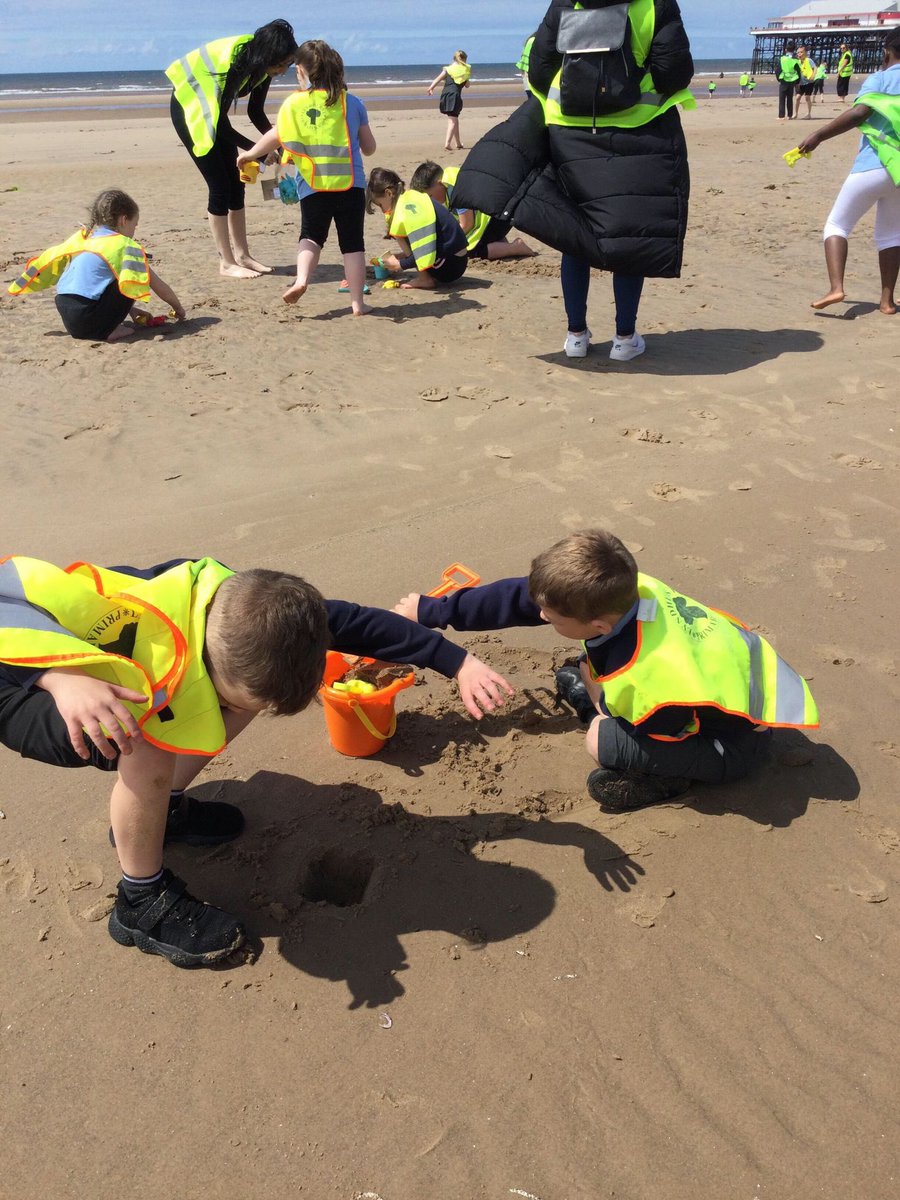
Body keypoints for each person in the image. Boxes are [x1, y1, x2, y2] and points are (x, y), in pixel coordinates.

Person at [0, 555, 513, 969]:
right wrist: (57, 678)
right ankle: (141, 902)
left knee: (223, 708)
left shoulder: (266, 617)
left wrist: (459, 662)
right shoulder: (152, 673)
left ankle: (167, 812)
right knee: (148, 748)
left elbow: (367, 626)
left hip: (120, 672)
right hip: (31, 686)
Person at [394, 530, 819, 812]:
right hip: (717, 690)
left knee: (600, 738)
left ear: (598, 626)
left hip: (734, 742)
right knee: (586, 670)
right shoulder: (623, 589)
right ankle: (602, 695)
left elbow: (665, 723)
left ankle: (667, 782)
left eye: (551, 617)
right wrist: (432, 611)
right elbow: (518, 598)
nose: (540, 617)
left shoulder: (656, 676)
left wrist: (602, 700)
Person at [453, 0, 693, 364]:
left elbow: (539, 69)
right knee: (627, 232)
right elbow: (673, 73)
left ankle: (576, 336)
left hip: (569, 133)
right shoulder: (655, 4)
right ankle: (624, 339)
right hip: (637, 132)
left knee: (575, 232)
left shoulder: (566, 3)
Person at [236, 40, 377, 315]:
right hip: (350, 185)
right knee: (353, 245)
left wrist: (250, 154)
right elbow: (369, 148)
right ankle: (358, 304)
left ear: (301, 70)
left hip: (312, 185)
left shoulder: (293, 104)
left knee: (311, 237)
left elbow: (275, 135)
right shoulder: (353, 103)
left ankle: (301, 280)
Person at [167, 19, 298, 279]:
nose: (283, 70)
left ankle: (243, 255)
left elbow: (255, 111)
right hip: (189, 106)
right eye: (281, 64)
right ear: (268, 55)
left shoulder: (263, 67)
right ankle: (226, 263)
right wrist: (257, 150)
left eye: (288, 64)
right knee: (219, 186)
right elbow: (218, 123)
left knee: (237, 183)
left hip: (215, 114)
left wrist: (276, 144)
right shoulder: (236, 63)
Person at [797, 28, 900, 316]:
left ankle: (836, 288)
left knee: (837, 226)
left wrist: (818, 135)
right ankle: (887, 302)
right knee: (891, 235)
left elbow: (859, 113)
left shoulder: (880, 78)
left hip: (873, 165)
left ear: (886, 52)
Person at [8, 189, 186, 342]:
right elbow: (158, 285)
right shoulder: (122, 245)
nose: (133, 231)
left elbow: (90, 285)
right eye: (134, 225)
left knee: (109, 278)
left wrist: (130, 310)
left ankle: (106, 325)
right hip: (89, 317)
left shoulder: (85, 240)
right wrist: (178, 309)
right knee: (130, 273)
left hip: (68, 314)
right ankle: (110, 330)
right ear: (124, 220)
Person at [409, 161, 537, 260]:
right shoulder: (450, 178)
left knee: (471, 251)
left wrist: (446, 241)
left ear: (439, 183)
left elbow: (467, 225)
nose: (431, 202)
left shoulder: (455, 190)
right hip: (499, 210)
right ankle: (497, 242)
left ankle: (516, 247)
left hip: (500, 216)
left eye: (430, 196)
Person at [366, 167, 470, 289]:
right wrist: (403, 256)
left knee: (398, 231)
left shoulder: (408, 210)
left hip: (450, 267)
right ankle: (424, 276)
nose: (383, 210)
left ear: (389, 193)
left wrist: (400, 264)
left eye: (380, 205)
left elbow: (424, 248)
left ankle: (424, 279)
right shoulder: (411, 197)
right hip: (458, 258)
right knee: (399, 230)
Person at [428, 50, 471, 151]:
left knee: (454, 119)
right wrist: (466, 78)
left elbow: (437, 79)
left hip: (445, 95)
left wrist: (430, 88)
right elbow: (467, 85)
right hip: (455, 95)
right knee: (452, 121)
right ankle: (447, 143)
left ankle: (458, 143)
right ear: (464, 59)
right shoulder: (465, 69)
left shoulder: (448, 69)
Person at [777, 41, 801, 121]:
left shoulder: (782, 58)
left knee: (782, 98)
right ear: (794, 50)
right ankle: (790, 115)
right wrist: (797, 82)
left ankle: (781, 116)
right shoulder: (795, 60)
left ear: (786, 49)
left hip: (784, 80)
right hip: (792, 80)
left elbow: (778, 70)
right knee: (790, 98)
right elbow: (798, 71)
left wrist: (778, 79)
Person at [796, 45, 817, 119]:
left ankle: (809, 114)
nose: (799, 54)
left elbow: (815, 68)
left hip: (809, 82)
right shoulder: (798, 62)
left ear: (805, 53)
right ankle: (795, 114)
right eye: (798, 52)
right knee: (797, 97)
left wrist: (813, 76)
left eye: (801, 52)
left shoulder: (809, 60)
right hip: (801, 83)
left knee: (807, 97)